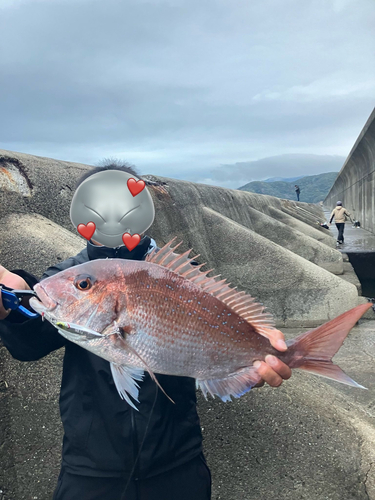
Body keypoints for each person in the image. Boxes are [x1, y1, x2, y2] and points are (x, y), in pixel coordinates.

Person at [0, 162, 292, 500]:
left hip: (177, 463)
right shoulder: (70, 277)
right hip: (90, 470)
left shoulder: (182, 276)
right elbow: (30, 343)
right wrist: (9, 311)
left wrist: (253, 350)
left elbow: (220, 320)